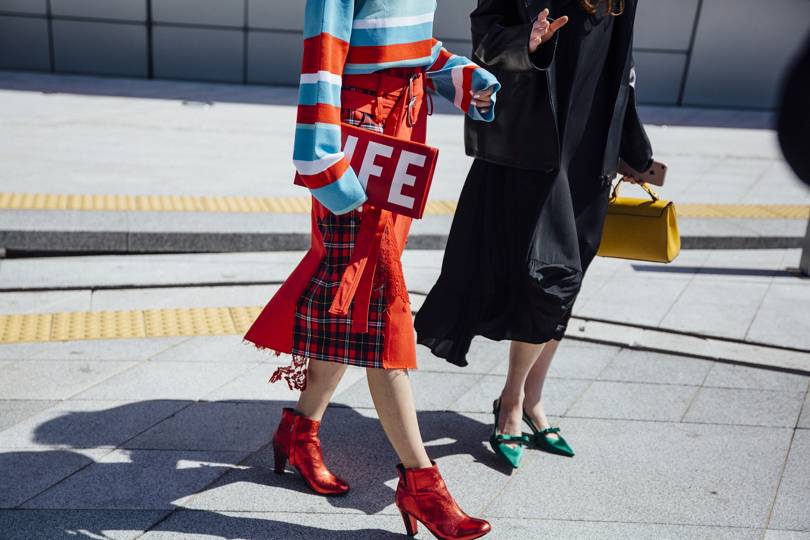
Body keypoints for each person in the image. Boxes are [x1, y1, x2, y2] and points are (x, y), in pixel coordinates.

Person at [244, 1, 499, 538]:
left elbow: (405, 41)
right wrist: (322, 162)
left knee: (356, 303)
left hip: (398, 135)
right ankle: (421, 482)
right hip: (357, 144)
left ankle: (299, 431)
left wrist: (461, 75)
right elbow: (322, 58)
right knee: (379, 305)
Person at [415, 0, 654, 469]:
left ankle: (531, 399)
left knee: (571, 275)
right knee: (550, 278)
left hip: (592, 148)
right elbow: (485, 36)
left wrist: (631, 147)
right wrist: (525, 42)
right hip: (533, 141)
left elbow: (622, 63)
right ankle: (511, 402)